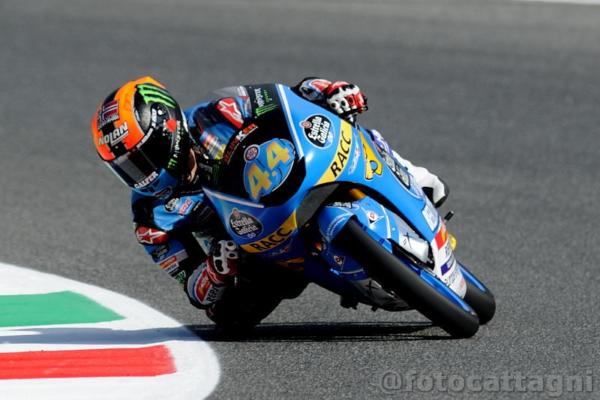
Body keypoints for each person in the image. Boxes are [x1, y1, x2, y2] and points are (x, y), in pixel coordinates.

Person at [90, 76, 448, 329]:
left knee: (344, 124)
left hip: (284, 184)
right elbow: (193, 288)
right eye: (127, 168)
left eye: (144, 158)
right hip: (253, 249)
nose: (143, 175)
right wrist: (216, 270)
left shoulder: (219, 113)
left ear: (169, 129)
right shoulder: (151, 216)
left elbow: (289, 98)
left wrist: (327, 91)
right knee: (225, 316)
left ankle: (407, 173)